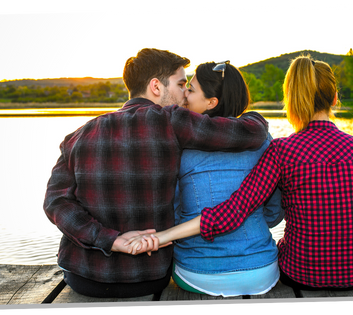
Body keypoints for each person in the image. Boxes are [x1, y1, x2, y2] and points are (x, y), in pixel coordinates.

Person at [127, 55, 353, 295]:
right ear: (333, 98)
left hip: (302, 273)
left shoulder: (283, 150)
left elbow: (231, 214)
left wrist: (162, 236)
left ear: (291, 99)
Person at [43, 48, 269, 298]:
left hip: (83, 277)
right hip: (148, 277)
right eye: (181, 84)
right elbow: (249, 133)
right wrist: (257, 119)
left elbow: (55, 203)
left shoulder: (77, 136)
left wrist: (112, 240)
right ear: (156, 87)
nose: (185, 93)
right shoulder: (171, 120)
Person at [170, 61, 283, 296]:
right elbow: (273, 213)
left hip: (198, 272)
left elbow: (173, 213)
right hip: (262, 270)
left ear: (212, 103)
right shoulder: (263, 139)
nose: (185, 95)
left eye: (191, 89)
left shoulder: (180, 143)